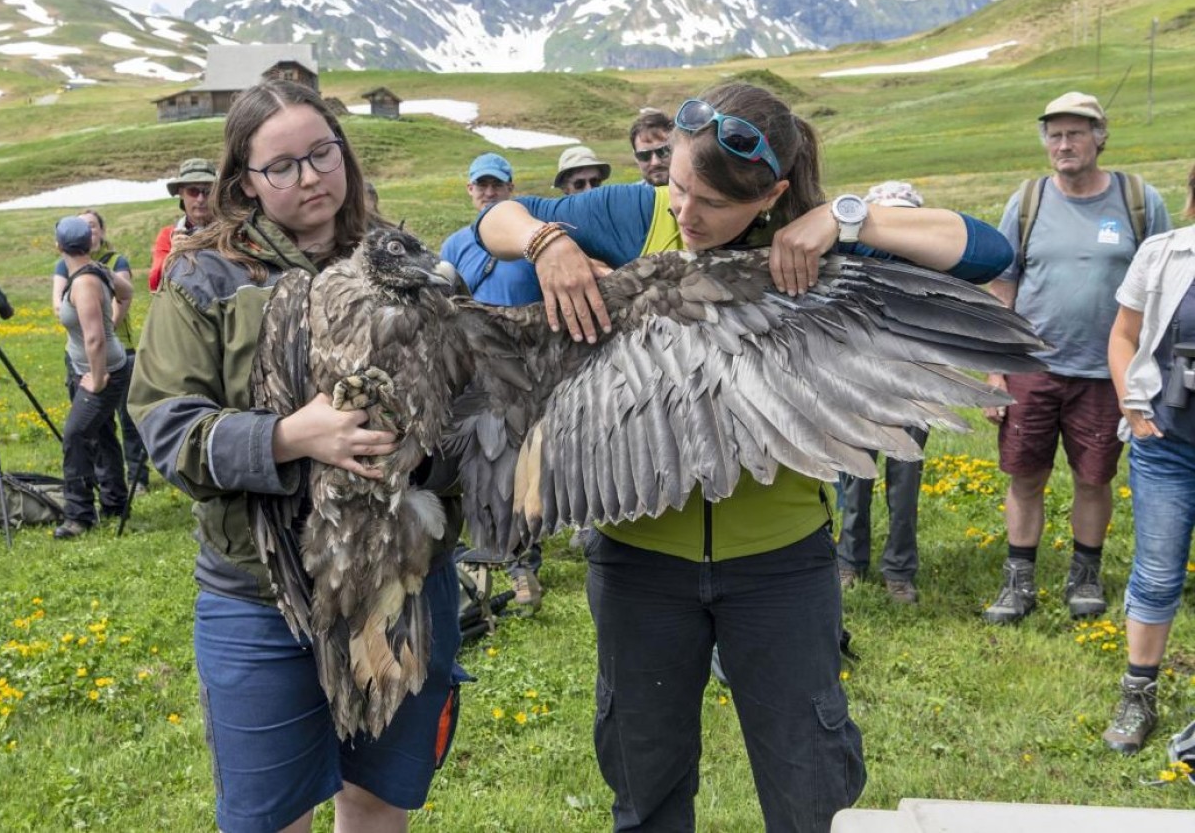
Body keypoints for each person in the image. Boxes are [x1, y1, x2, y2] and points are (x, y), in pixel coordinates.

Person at [475, 82, 1013, 833]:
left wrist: (847, 218)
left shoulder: (813, 239)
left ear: (772, 199)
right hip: (638, 568)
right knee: (645, 782)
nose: (686, 214)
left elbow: (990, 249)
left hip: (781, 566)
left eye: (712, 205)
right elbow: (484, 225)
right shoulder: (638, 213)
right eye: (679, 185)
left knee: (809, 786)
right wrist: (546, 239)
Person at [128, 79, 465, 833]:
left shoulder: (405, 261)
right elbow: (167, 427)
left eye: (322, 153)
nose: (310, 176)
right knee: (268, 816)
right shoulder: (204, 277)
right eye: (282, 165)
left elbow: (468, 415)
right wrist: (290, 437)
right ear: (242, 180)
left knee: (380, 799)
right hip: (259, 594)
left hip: (400, 583)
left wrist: (424, 459)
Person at [981, 91, 1171, 625]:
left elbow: (1165, 281)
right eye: (1054, 134)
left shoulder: (1139, 199)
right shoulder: (1028, 200)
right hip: (1032, 368)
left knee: (1094, 478)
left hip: (1109, 374)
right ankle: (1019, 580)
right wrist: (995, 366)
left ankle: (1084, 574)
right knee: (1024, 475)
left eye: (1075, 133)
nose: (1064, 144)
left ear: (1099, 137)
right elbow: (1004, 285)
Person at [1100, 164, 1195, 754]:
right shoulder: (1164, 253)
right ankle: (1138, 694)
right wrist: (1133, 406)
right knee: (1158, 573)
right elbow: (1123, 335)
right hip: (1167, 442)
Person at [440, 152, 544, 609]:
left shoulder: (532, 239)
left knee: (524, 467)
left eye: (496, 185)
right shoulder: (454, 246)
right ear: (469, 190)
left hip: (528, 369)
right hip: (473, 371)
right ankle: (479, 562)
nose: (488, 192)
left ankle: (523, 567)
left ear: (510, 190)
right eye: (480, 185)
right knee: (477, 463)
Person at [836, 181, 929, 604]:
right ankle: (849, 562)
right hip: (859, 385)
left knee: (904, 481)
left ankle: (899, 570)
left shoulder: (931, 270)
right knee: (854, 477)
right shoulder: (850, 265)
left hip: (913, 388)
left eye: (904, 215)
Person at [51, 210, 148, 495]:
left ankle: (79, 513)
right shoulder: (98, 270)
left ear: (59, 246)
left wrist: (97, 378)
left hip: (100, 369)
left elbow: (94, 338)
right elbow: (127, 293)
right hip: (93, 363)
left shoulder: (83, 281)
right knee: (102, 432)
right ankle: (114, 497)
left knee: (75, 435)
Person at [148, 158, 217, 293]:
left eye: (207, 191)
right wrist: (174, 255)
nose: (200, 199)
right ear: (181, 193)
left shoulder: (230, 230)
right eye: (193, 191)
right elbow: (154, 284)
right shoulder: (168, 235)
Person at [630, 107, 674, 187]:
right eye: (644, 155)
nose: (655, 162)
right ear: (635, 157)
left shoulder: (701, 193)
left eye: (663, 151)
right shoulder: (631, 198)